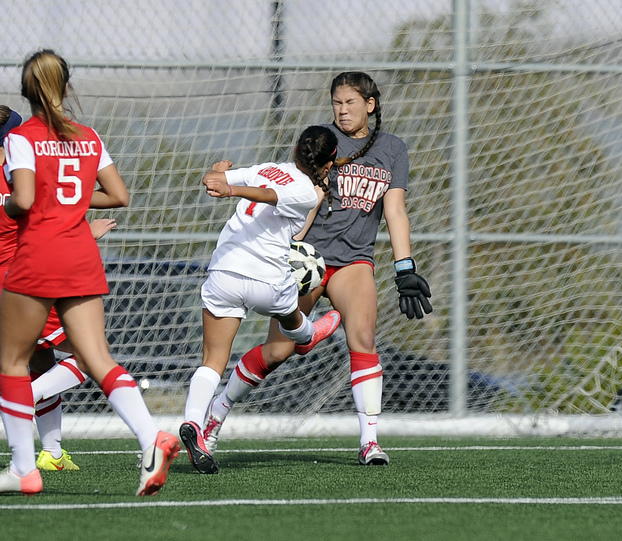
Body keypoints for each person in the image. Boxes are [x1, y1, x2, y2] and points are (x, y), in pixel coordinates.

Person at [201, 72, 432, 466]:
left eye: (351, 103)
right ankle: (215, 415)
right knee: (277, 351)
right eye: (337, 103)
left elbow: (394, 210)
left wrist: (404, 267)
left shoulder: (393, 149)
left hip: (354, 259)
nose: (342, 110)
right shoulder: (321, 139)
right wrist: (286, 249)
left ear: (370, 105)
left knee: (362, 336)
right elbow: (295, 193)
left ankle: (369, 442)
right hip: (305, 258)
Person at [0, 49, 180, 496]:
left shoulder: (21, 137)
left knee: (12, 361)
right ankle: (150, 437)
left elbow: (22, 200)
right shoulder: (89, 136)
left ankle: (25, 468)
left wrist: (12, 204)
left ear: (26, 91)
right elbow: (119, 195)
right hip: (81, 254)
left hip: (39, 254)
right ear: (66, 87)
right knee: (98, 359)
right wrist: (73, 200)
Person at [179, 125, 342, 474]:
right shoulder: (309, 192)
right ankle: (309, 334)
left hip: (224, 272)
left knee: (212, 361)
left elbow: (257, 189)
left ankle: (193, 422)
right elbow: (265, 195)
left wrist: (222, 175)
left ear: (296, 148)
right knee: (294, 323)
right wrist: (227, 182)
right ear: (327, 165)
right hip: (267, 280)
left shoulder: (268, 169)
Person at [0, 105, 118, 472]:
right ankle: (17, 401)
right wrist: (87, 233)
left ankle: (51, 452)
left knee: (39, 360)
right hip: (26, 281)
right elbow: (49, 219)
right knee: (88, 357)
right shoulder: (21, 182)